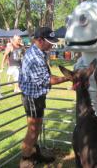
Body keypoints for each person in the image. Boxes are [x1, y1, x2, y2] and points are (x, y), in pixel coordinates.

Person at [18, 27, 69, 167]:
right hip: (32, 97)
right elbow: (48, 80)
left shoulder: (40, 52)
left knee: (37, 126)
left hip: (36, 95)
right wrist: (69, 77)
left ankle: (35, 154)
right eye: (49, 42)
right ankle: (25, 161)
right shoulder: (35, 57)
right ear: (39, 40)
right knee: (33, 129)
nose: (52, 45)